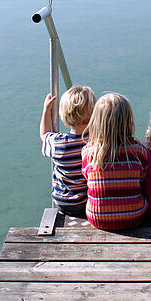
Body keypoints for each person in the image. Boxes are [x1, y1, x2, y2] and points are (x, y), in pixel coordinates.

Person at [82, 93, 148, 229]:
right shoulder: (138, 151)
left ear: (96, 121)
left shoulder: (88, 152)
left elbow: (86, 177)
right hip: (134, 216)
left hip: (97, 218)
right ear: (128, 120)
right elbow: (142, 178)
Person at [39, 86, 95, 217]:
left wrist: (46, 110)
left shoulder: (58, 143)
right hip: (89, 200)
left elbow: (44, 134)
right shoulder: (96, 141)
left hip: (64, 202)